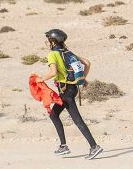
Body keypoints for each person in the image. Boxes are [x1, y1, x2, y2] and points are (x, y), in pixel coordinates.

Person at [34, 29, 102, 159]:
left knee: (77, 120)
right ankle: (63, 146)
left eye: (48, 40)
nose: (46, 42)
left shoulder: (52, 54)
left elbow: (53, 72)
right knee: (54, 115)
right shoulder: (68, 52)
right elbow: (87, 63)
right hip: (72, 89)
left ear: (53, 42)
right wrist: (82, 78)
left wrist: (40, 79)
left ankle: (94, 147)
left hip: (66, 92)